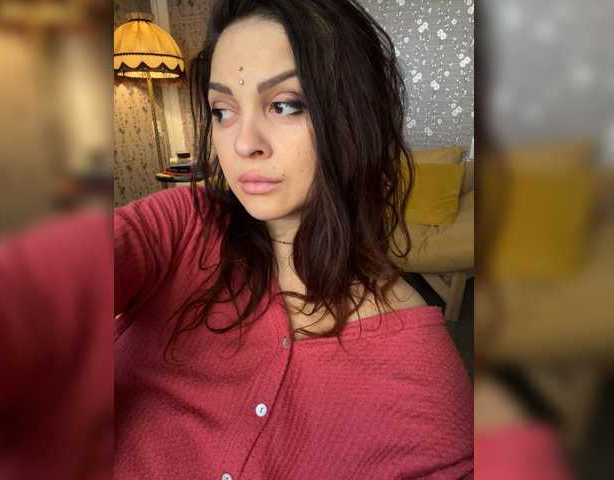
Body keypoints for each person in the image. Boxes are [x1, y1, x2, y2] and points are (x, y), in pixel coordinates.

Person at [114, 1, 472, 479]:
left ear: (353, 115)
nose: (243, 143)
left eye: (284, 105)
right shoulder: (185, 225)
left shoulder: (422, 382)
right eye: (222, 110)